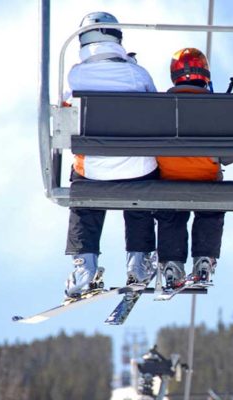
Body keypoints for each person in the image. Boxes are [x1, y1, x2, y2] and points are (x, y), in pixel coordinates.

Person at [64, 12, 159, 297]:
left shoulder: (74, 75)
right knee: (140, 191)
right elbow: (158, 114)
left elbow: (64, 114)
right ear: (117, 38)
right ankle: (139, 261)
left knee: (84, 196)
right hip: (137, 168)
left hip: (93, 170)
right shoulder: (136, 73)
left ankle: (84, 266)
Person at [155, 48, 233, 289]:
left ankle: (171, 262)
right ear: (206, 74)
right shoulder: (217, 108)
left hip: (168, 179)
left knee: (170, 216)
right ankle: (204, 259)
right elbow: (230, 157)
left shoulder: (158, 106)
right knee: (210, 210)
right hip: (206, 179)